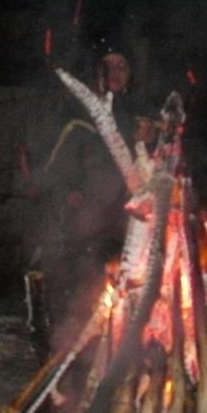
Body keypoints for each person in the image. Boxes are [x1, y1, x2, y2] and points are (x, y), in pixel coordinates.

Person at [21, 41, 150, 341]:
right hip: (82, 231)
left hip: (127, 233)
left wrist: (152, 136)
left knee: (123, 317)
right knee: (77, 313)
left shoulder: (140, 114)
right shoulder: (76, 112)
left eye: (122, 66)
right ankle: (68, 377)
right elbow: (49, 167)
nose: (115, 72)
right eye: (108, 66)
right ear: (96, 71)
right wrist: (70, 192)